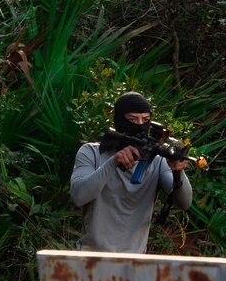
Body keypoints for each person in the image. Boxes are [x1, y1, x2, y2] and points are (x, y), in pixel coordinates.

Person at [70, 92, 192, 253]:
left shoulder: (157, 160)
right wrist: (113, 162)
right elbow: (79, 196)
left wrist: (178, 171)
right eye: (133, 120)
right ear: (120, 121)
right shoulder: (91, 152)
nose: (140, 125)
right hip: (92, 258)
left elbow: (184, 202)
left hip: (135, 262)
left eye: (146, 120)